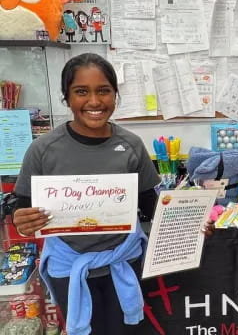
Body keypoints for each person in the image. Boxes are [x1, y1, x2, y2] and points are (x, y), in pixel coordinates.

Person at [12, 53, 213, 335]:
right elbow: (23, 209)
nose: (94, 102)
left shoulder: (130, 145)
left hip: (123, 263)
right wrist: (22, 222)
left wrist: (190, 224)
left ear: (115, 95)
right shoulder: (43, 150)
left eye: (104, 91)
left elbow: (153, 206)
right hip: (70, 270)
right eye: (81, 91)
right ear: (66, 97)